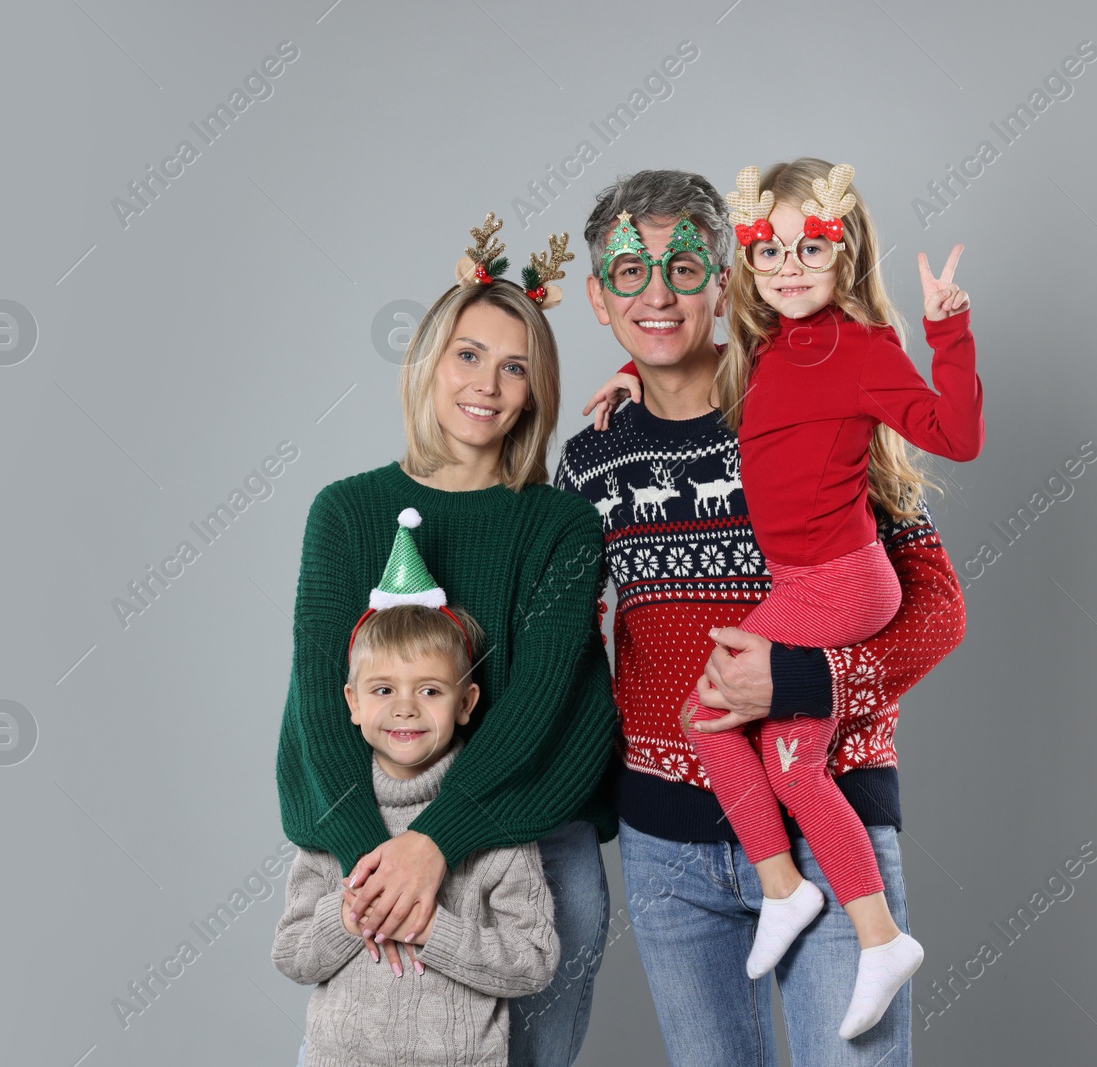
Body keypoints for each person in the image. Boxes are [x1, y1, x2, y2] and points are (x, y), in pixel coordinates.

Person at [554, 169, 967, 1065]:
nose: (658, 295)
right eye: (630, 275)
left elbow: (937, 608)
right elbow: (575, 657)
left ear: (727, 279)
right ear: (598, 296)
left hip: (831, 822)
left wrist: (806, 679)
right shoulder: (590, 462)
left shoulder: (807, 398)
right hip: (669, 851)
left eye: (686, 269)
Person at [276, 215, 617, 1067]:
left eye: (515, 367)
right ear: (429, 360)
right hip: (370, 843)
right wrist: (375, 863)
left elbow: (540, 704)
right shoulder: (346, 512)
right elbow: (321, 699)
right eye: (469, 355)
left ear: (536, 390)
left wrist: (438, 841)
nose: (489, 385)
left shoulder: (562, 526)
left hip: (530, 847)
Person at [272, 525, 559, 1066]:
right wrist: (350, 916)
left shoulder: (491, 825)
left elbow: (533, 961)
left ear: (467, 702)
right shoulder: (333, 818)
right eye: (383, 691)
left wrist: (433, 929)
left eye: (429, 690)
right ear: (352, 703)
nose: (405, 708)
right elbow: (292, 954)